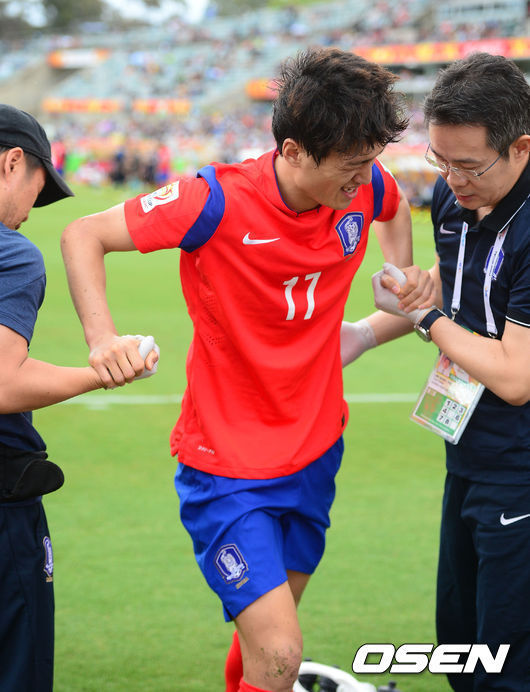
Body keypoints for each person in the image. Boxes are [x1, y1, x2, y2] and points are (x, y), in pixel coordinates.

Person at [60, 47, 431, 692]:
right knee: (281, 648)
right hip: (226, 465)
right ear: (292, 149)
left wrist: (387, 295)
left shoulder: (367, 185)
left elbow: (393, 206)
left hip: (316, 450)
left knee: (264, 640)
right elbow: (82, 234)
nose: (363, 180)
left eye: (370, 163)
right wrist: (101, 340)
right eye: (350, 166)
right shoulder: (214, 200)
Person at [342, 52, 530, 691]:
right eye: (438, 160)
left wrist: (424, 317)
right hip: (469, 451)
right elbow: (452, 298)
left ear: (521, 148)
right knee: (462, 648)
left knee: (507, 668)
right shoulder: (453, 202)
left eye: (468, 164)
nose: (451, 178)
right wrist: (362, 335)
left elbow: (514, 375)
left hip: (522, 468)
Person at [0, 104, 158, 692]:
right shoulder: (9, 254)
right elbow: (3, 383)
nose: (25, 217)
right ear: (14, 162)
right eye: (36, 192)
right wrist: (106, 371)